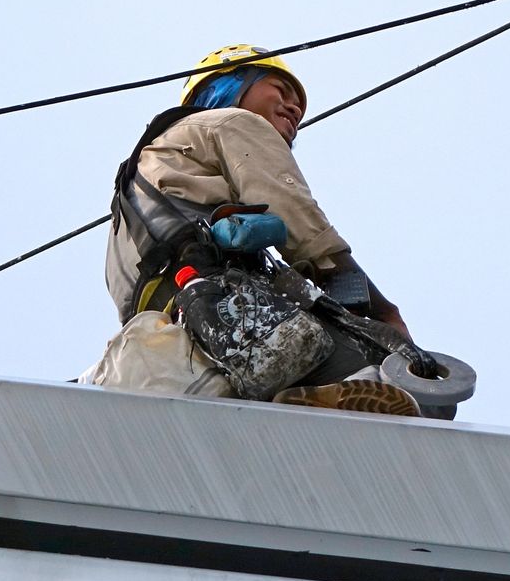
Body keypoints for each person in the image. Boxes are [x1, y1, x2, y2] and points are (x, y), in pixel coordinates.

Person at [104, 44, 422, 414]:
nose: (295, 108)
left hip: (185, 339)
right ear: (230, 86)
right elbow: (300, 225)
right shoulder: (232, 123)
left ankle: (299, 400)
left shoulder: (131, 195)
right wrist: (383, 312)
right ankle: (334, 397)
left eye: (298, 104)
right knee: (400, 381)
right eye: (279, 90)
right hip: (235, 309)